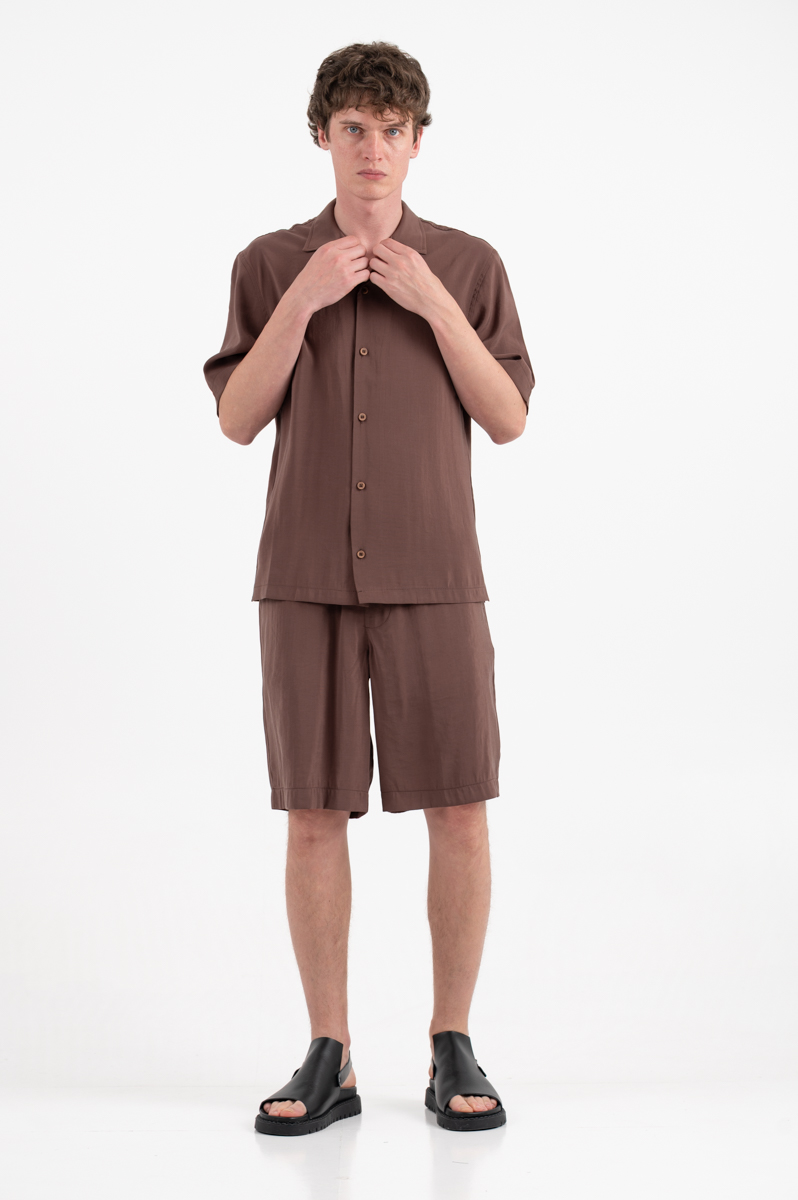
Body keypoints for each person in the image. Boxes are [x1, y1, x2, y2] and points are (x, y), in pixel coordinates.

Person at [203, 40, 534, 1136]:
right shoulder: (268, 263)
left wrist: (433, 302)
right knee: (311, 814)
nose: (374, 150)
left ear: (418, 141)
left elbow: (508, 415)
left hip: (436, 575)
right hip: (304, 577)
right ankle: (329, 1052)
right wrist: (304, 298)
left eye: (393, 130)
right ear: (322, 137)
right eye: (354, 128)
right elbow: (237, 417)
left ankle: (452, 1041)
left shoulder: (470, 265)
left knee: (460, 809)